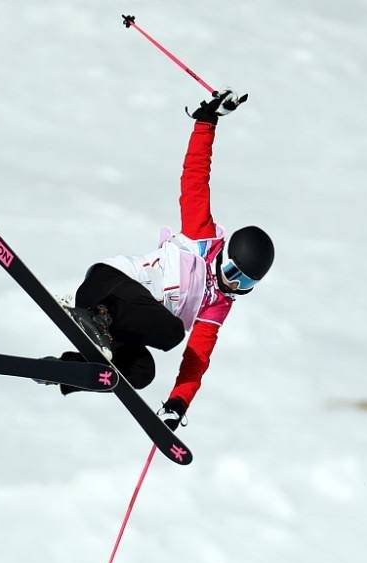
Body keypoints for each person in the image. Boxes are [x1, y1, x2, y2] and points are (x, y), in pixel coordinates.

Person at [50, 89, 274, 431]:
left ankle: (68, 371)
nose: (233, 284)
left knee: (141, 371)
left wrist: (177, 404)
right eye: (232, 271)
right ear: (225, 255)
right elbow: (195, 178)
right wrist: (206, 121)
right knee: (171, 332)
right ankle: (93, 316)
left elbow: (197, 361)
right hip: (108, 286)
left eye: (245, 283)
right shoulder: (201, 237)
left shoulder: (217, 307)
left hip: (119, 326)